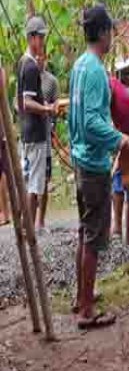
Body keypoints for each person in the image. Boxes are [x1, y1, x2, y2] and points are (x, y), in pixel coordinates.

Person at [68, 4, 127, 330]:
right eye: (111, 30)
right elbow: (91, 122)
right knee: (93, 236)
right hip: (92, 164)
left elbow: (76, 118)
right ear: (103, 32)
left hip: (80, 160)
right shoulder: (93, 70)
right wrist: (120, 140)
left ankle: (82, 296)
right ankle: (86, 311)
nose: (112, 35)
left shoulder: (79, 66)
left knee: (84, 232)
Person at [16, 16, 55, 230]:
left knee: (29, 179)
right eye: (40, 37)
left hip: (26, 131)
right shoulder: (30, 67)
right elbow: (27, 102)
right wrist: (47, 108)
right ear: (32, 38)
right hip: (36, 134)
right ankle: (29, 228)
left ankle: (26, 225)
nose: (42, 41)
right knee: (35, 186)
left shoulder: (22, 63)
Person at [109, 73, 129, 246]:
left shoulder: (121, 104)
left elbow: (127, 139)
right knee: (117, 185)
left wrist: (117, 162)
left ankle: (127, 238)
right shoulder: (109, 83)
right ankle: (117, 229)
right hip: (125, 138)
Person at [38, 54, 59, 231]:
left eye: (41, 56)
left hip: (44, 136)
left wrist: (52, 125)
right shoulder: (26, 76)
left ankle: (41, 220)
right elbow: (17, 104)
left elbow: (56, 107)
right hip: (29, 136)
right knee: (29, 179)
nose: (38, 59)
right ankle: (28, 220)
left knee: (45, 179)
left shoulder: (51, 81)